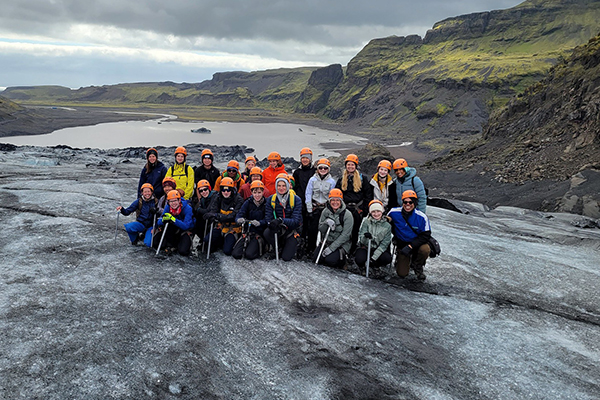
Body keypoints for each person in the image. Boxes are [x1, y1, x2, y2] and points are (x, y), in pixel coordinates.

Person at [388, 190, 431, 280]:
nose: (408, 204)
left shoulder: (422, 217)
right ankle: (400, 258)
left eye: (410, 202)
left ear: (414, 203)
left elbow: (426, 235)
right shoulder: (393, 212)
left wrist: (411, 246)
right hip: (402, 245)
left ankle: (418, 266)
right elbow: (386, 221)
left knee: (425, 249)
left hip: (416, 244)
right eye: (405, 202)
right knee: (402, 274)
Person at [335, 154, 373, 252]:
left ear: (356, 166)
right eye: (348, 165)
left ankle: (352, 251)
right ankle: (343, 249)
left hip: (357, 209)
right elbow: (337, 194)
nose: (350, 167)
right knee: (344, 230)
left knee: (355, 231)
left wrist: (365, 210)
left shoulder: (362, 179)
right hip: (345, 209)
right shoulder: (341, 179)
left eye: (352, 165)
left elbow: (368, 194)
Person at [264, 173, 303, 261]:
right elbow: (268, 217)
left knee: (286, 257)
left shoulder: (296, 200)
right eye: (279, 186)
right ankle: (277, 248)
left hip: (291, 230)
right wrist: (271, 224)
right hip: (279, 229)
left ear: (288, 186)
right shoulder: (271, 199)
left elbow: (296, 221)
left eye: (284, 185)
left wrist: (281, 220)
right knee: (267, 232)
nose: (281, 188)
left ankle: (295, 244)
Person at [203, 177, 244, 256]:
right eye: (223, 190)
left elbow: (233, 216)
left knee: (227, 251)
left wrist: (216, 215)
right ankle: (220, 243)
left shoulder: (238, 200)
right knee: (207, 241)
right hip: (221, 226)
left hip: (233, 229)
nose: (226, 192)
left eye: (228, 190)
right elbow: (213, 210)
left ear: (232, 190)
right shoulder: (218, 198)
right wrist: (211, 215)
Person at [314, 189, 354, 269]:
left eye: (337, 200)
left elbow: (345, 235)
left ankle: (342, 260)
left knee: (330, 260)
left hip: (340, 244)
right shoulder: (325, 211)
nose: (335, 202)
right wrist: (326, 223)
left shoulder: (347, 215)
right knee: (317, 258)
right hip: (327, 241)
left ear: (341, 201)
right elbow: (321, 229)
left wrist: (331, 248)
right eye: (333, 200)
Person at [304, 158, 336, 253]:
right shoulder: (312, 180)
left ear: (328, 169)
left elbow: (332, 196)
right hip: (315, 207)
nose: (322, 170)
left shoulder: (332, 181)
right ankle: (310, 248)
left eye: (325, 168)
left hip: (326, 208)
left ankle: (322, 248)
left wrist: (331, 209)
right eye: (320, 168)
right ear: (317, 169)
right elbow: (308, 193)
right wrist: (309, 208)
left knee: (325, 229)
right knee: (312, 228)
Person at [355, 199, 393, 276]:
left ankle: (375, 265)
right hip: (366, 247)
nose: (376, 214)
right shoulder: (366, 221)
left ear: (382, 211)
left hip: (378, 249)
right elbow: (361, 238)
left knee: (386, 258)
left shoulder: (387, 226)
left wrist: (373, 258)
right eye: (373, 212)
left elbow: (384, 244)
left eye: (378, 211)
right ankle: (362, 267)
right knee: (359, 258)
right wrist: (366, 238)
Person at [232, 180, 268, 260]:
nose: (257, 195)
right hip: (247, 232)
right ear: (251, 192)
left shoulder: (266, 204)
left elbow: (268, 219)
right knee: (236, 254)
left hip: (258, 233)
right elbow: (240, 213)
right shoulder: (248, 202)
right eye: (255, 193)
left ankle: (263, 246)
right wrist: (239, 219)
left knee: (249, 255)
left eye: (259, 192)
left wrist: (260, 223)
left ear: (263, 192)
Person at [153, 190, 195, 256]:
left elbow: (186, 226)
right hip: (172, 231)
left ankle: (178, 244)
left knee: (183, 251)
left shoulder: (187, 208)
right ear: (168, 202)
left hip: (184, 231)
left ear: (179, 200)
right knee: (156, 243)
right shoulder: (168, 207)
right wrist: (164, 220)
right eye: (171, 201)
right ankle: (171, 245)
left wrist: (173, 219)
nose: (173, 203)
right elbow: (160, 220)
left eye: (175, 200)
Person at [293, 147, 316, 250]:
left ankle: (310, 245)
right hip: (300, 201)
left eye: (307, 158)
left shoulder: (315, 171)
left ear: (310, 159)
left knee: (311, 225)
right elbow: (295, 186)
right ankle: (300, 243)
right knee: (301, 224)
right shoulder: (297, 172)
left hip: (312, 202)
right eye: (303, 158)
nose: (305, 160)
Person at [192, 179, 215, 250]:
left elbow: (208, 210)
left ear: (209, 189)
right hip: (206, 219)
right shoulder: (203, 199)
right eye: (201, 191)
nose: (203, 192)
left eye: (205, 189)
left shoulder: (215, 196)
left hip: (214, 220)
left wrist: (199, 209)